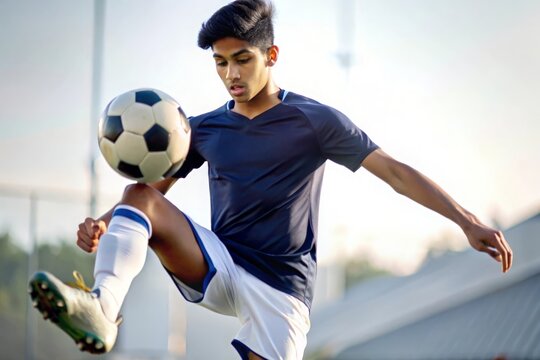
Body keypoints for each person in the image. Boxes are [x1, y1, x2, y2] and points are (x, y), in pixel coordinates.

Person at [28, 0, 513, 359]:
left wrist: (467, 221)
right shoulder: (203, 129)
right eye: (220, 62)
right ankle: (101, 307)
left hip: (282, 289)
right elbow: (150, 197)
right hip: (220, 264)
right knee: (138, 193)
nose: (230, 74)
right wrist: (105, 222)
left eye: (242, 59)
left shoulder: (316, 121)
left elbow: (395, 173)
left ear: (271, 54)